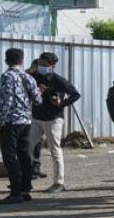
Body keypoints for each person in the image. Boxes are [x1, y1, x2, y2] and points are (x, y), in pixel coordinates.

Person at [28, 51, 80, 192]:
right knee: (27, 147)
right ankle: (25, 180)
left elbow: (75, 94)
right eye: (40, 63)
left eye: (45, 64)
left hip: (53, 119)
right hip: (36, 117)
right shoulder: (33, 76)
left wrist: (61, 103)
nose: (41, 66)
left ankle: (59, 182)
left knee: (55, 150)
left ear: (52, 66)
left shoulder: (58, 80)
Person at [0, 47, 41, 204]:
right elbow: (38, 99)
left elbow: (5, 101)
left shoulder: (7, 76)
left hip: (11, 122)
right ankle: (25, 189)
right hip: (26, 121)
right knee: (24, 155)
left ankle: (15, 192)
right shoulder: (28, 77)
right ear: (22, 60)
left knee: (9, 157)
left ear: (6, 60)